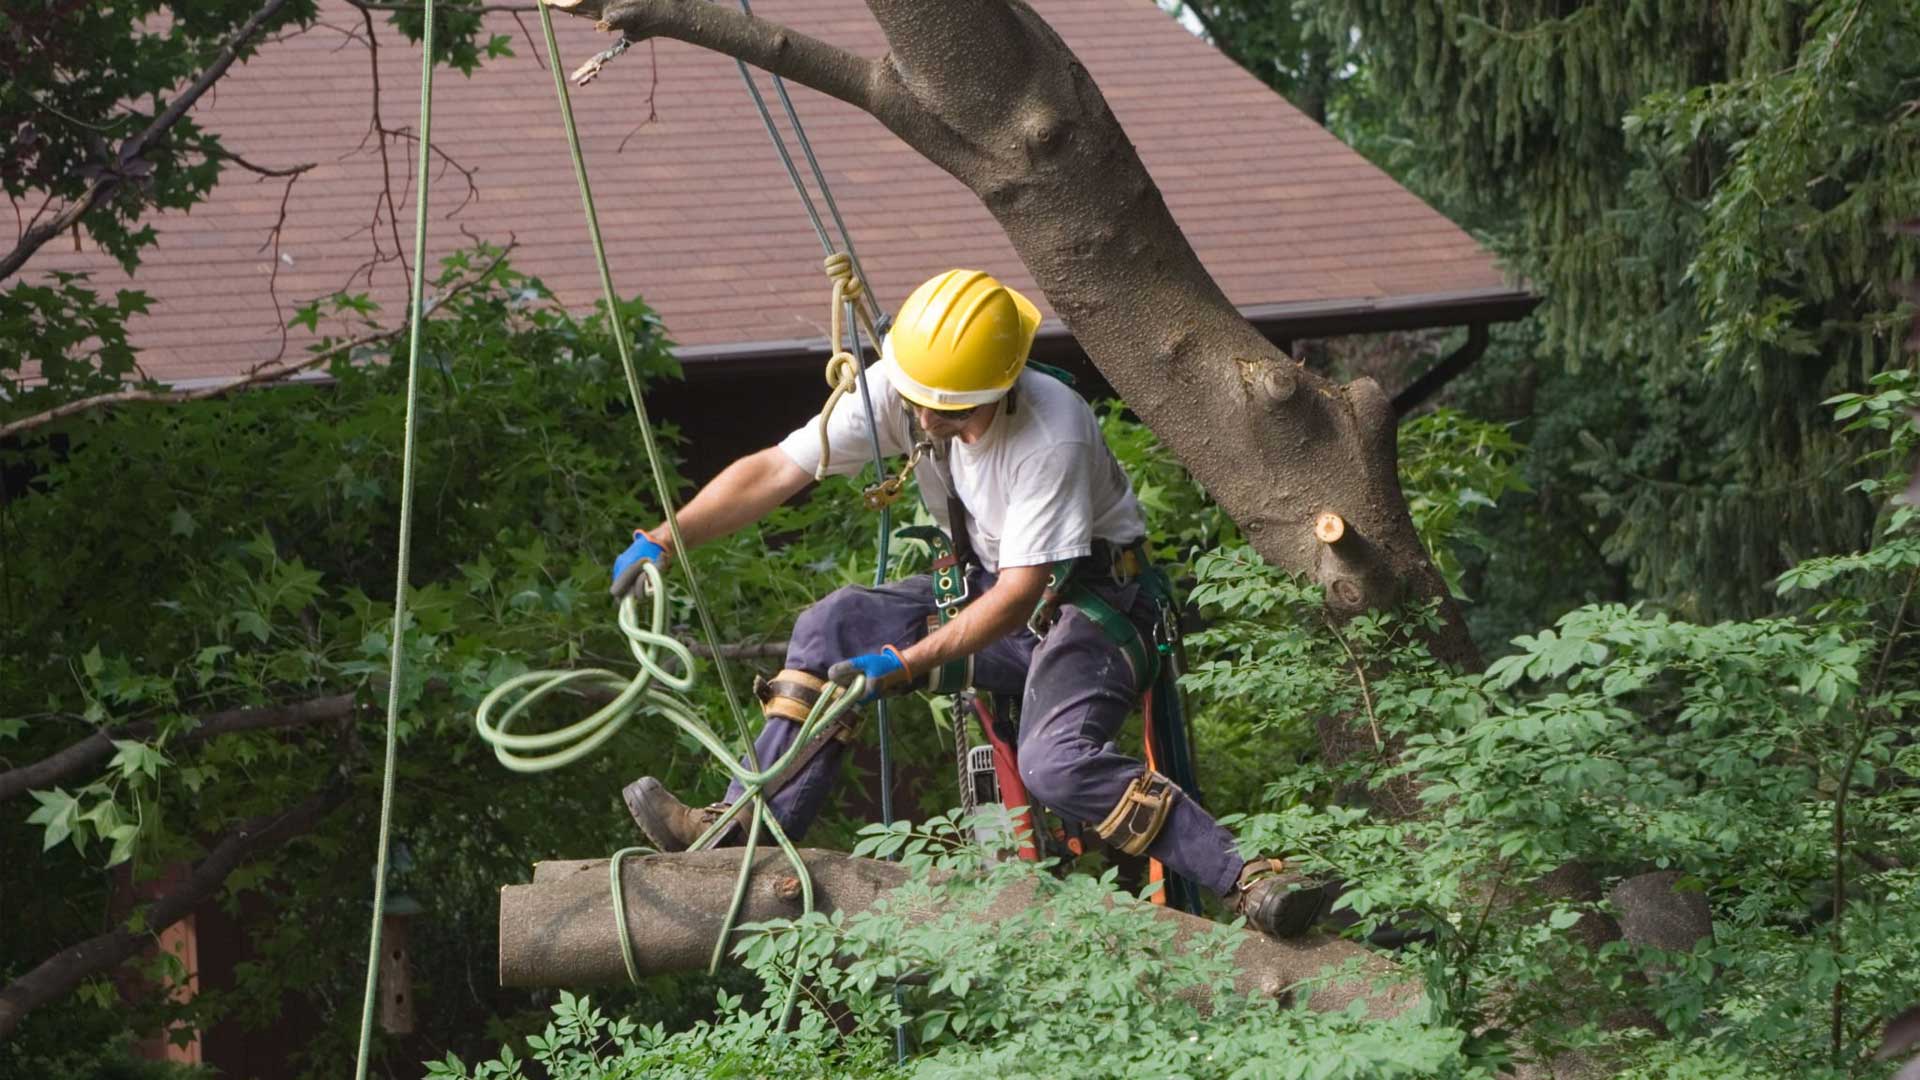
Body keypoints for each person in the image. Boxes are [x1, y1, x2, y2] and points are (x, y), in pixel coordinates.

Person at [612, 269, 1322, 937]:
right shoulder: (912, 384)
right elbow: (775, 469)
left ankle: (1246, 877)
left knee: (1054, 761)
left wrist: (906, 662)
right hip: (997, 589)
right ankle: (745, 831)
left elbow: (1018, 597)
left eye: (946, 409)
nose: (923, 417)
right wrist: (664, 539)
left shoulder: (1051, 433)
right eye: (917, 400)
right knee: (834, 625)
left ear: (998, 389)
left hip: (1095, 605)